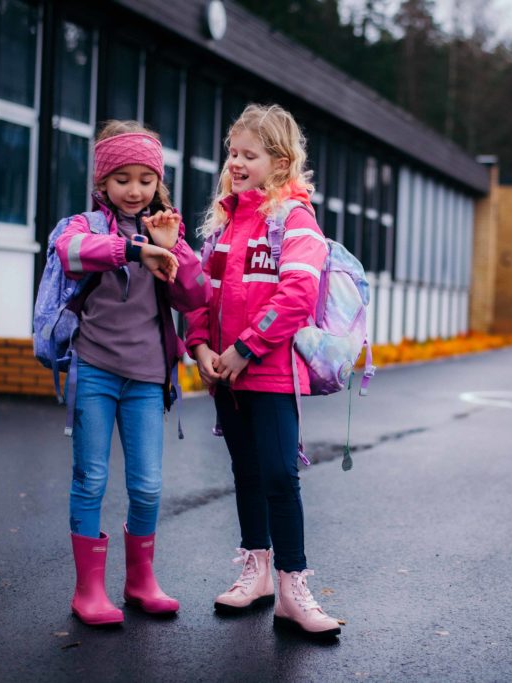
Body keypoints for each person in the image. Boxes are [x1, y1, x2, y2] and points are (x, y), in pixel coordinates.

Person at [185, 104, 341, 637]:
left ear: (280, 162)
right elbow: (201, 295)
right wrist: (200, 347)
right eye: (232, 153)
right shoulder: (225, 223)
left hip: (270, 375)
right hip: (227, 377)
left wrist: (244, 349)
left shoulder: (295, 220)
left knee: (278, 474)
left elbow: (297, 295)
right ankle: (257, 574)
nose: (236, 163)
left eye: (249, 155)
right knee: (246, 473)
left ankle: (293, 588)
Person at [54, 120, 209, 626]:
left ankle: (140, 582)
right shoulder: (83, 226)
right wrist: (134, 250)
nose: (135, 190)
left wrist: (172, 247)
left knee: (147, 486)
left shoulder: (165, 231)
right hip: (95, 370)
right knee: (91, 479)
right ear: (102, 182)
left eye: (146, 179)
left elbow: (195, 296)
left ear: (158, 181)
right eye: (122, 179)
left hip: (146, 378)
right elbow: (71, 254)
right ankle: (88, 591)